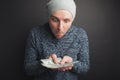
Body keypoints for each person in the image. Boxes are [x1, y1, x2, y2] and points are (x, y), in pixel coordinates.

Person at [24, 0, 90, 80]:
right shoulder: (35, 34)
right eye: (55, 20)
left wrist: (72, 64)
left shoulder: (80, 34)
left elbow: (85, 67)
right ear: (49, 17)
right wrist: (45, 64)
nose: (60, 27)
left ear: (72, 19)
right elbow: (28, 69)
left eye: (66, 21)